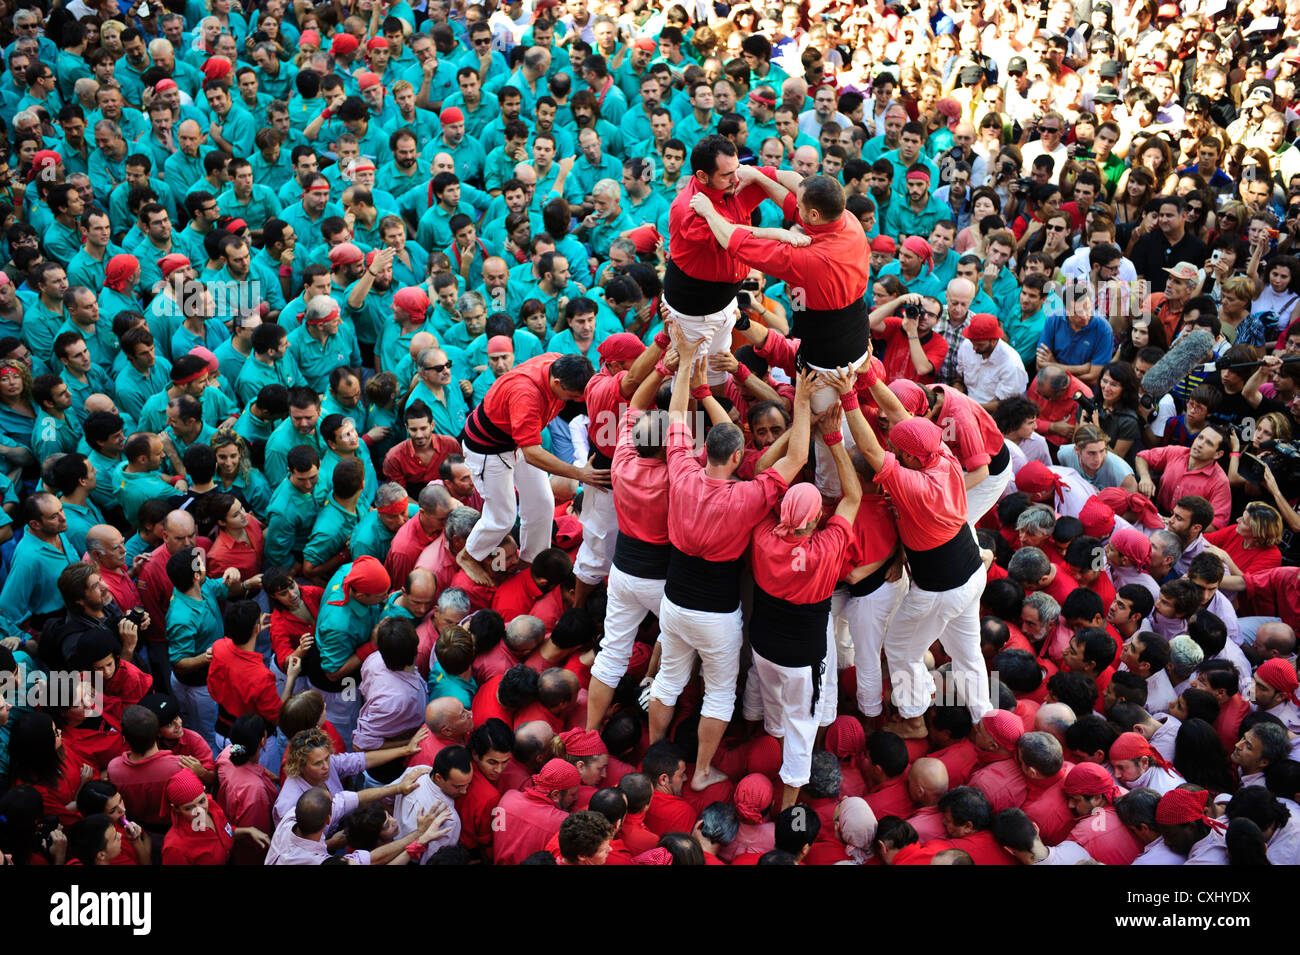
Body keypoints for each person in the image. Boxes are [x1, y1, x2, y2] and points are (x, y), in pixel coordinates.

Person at [648, 328, 813, 791]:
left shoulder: (681, 470)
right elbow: (797, 455)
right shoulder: (747, 496)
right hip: (716, 613)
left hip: (674, 603)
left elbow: (678, 413)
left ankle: (654, 757)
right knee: (719, 694)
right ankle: (699, 773)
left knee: (668, 680)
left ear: (707, 453)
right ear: (739, 455)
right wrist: (801, 399)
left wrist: (683, 364)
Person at [832, 362, 991, 734]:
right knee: (967, 652)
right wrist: (871, 379)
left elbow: (871, 452)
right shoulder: (942, 456)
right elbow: (903, 417)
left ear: (908, 458)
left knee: (901, 650)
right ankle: (984, 719)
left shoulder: (914, 486)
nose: (891, 444)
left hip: (939, 590)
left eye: (898, 449)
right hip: (970, 574)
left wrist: (849, 397)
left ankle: (913, 717)